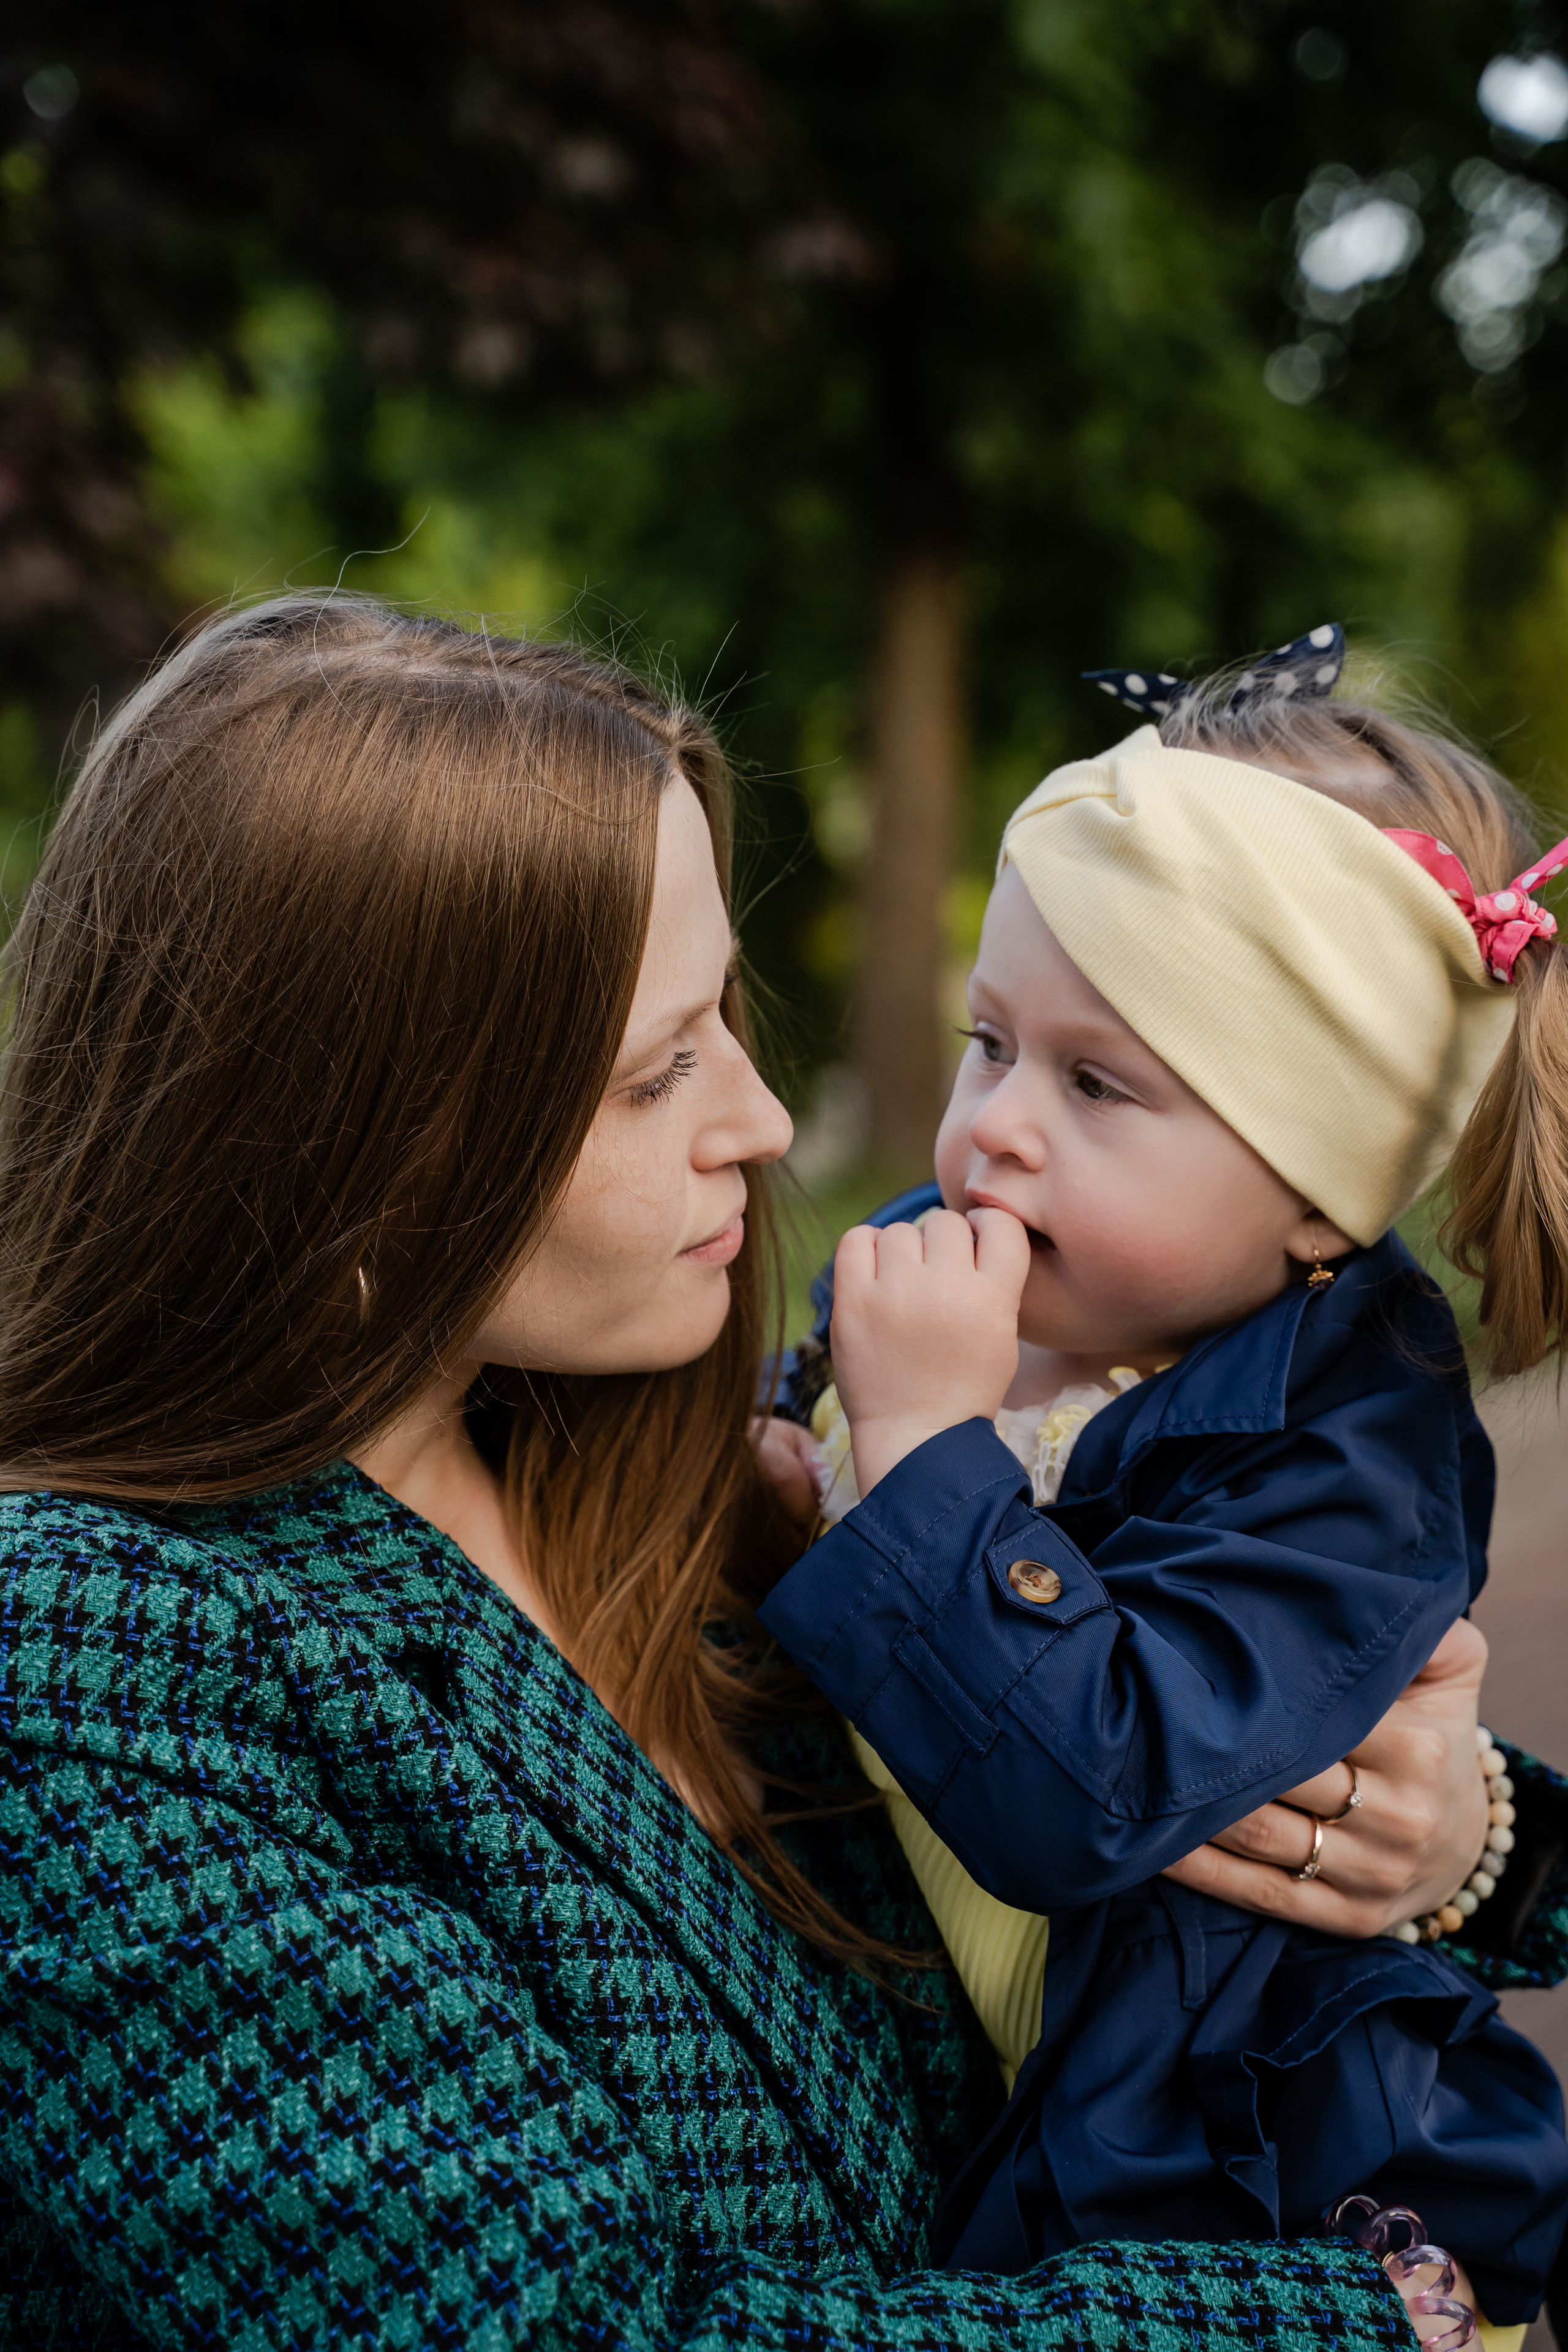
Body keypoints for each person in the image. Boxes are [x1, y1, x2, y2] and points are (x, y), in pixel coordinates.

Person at [0, 597, 1559, 2352]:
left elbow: (1100, 1690)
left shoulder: (677, 1466)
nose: (757, 1116)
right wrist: (1356, 2329)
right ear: (355, 1144)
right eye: (658, 1071)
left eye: (725, 1019)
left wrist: (1452, 1836)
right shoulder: (89, 1664)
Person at [760, 631, 1568, 2340]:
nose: (991, 1133)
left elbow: (1092, 1792)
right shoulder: (932, 1265)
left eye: (1099, 1083)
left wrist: (919, 1463)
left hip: (1252, 2204)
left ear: (1318, 1193)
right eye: (990, 1041)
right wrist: (776, 1467)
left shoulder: (1355, 1454)